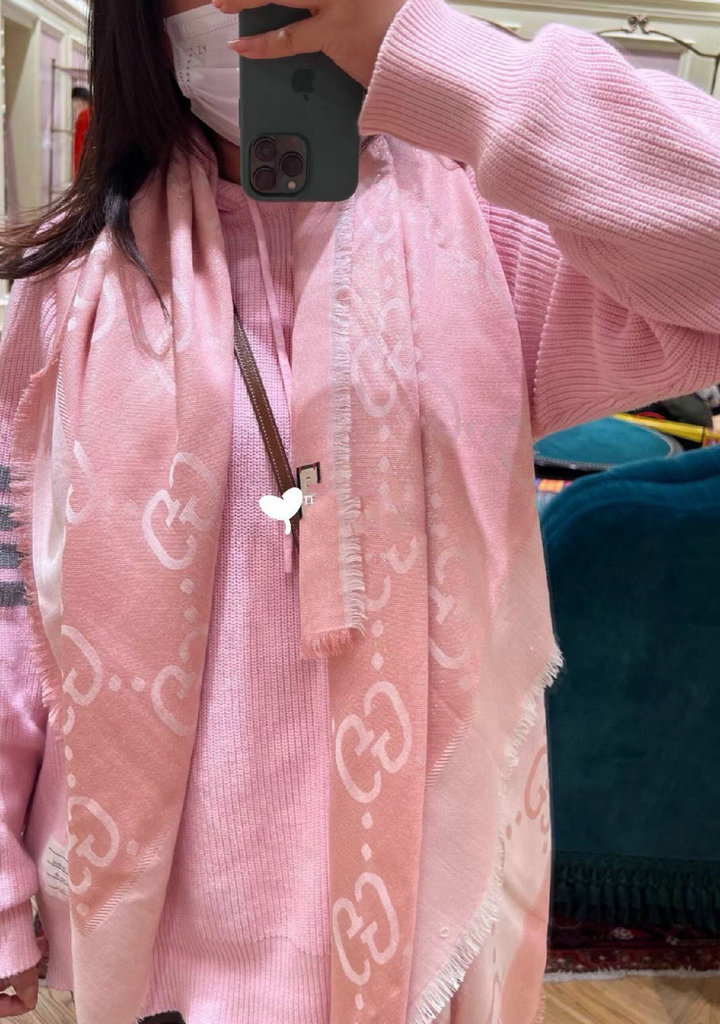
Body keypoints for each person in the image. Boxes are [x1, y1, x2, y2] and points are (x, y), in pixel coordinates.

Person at [0, 0, 719, 1022]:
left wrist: (435, 59)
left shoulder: (489, 248)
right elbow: (12, 606)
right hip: (157, 947)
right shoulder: (72, 289)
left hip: (416, 934)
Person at [70, 86, 91, 177]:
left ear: (80, 100)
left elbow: (79, 149)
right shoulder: (97, 114)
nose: (75, 108)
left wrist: (77, 176)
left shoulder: (84, 116)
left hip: (84, 170)